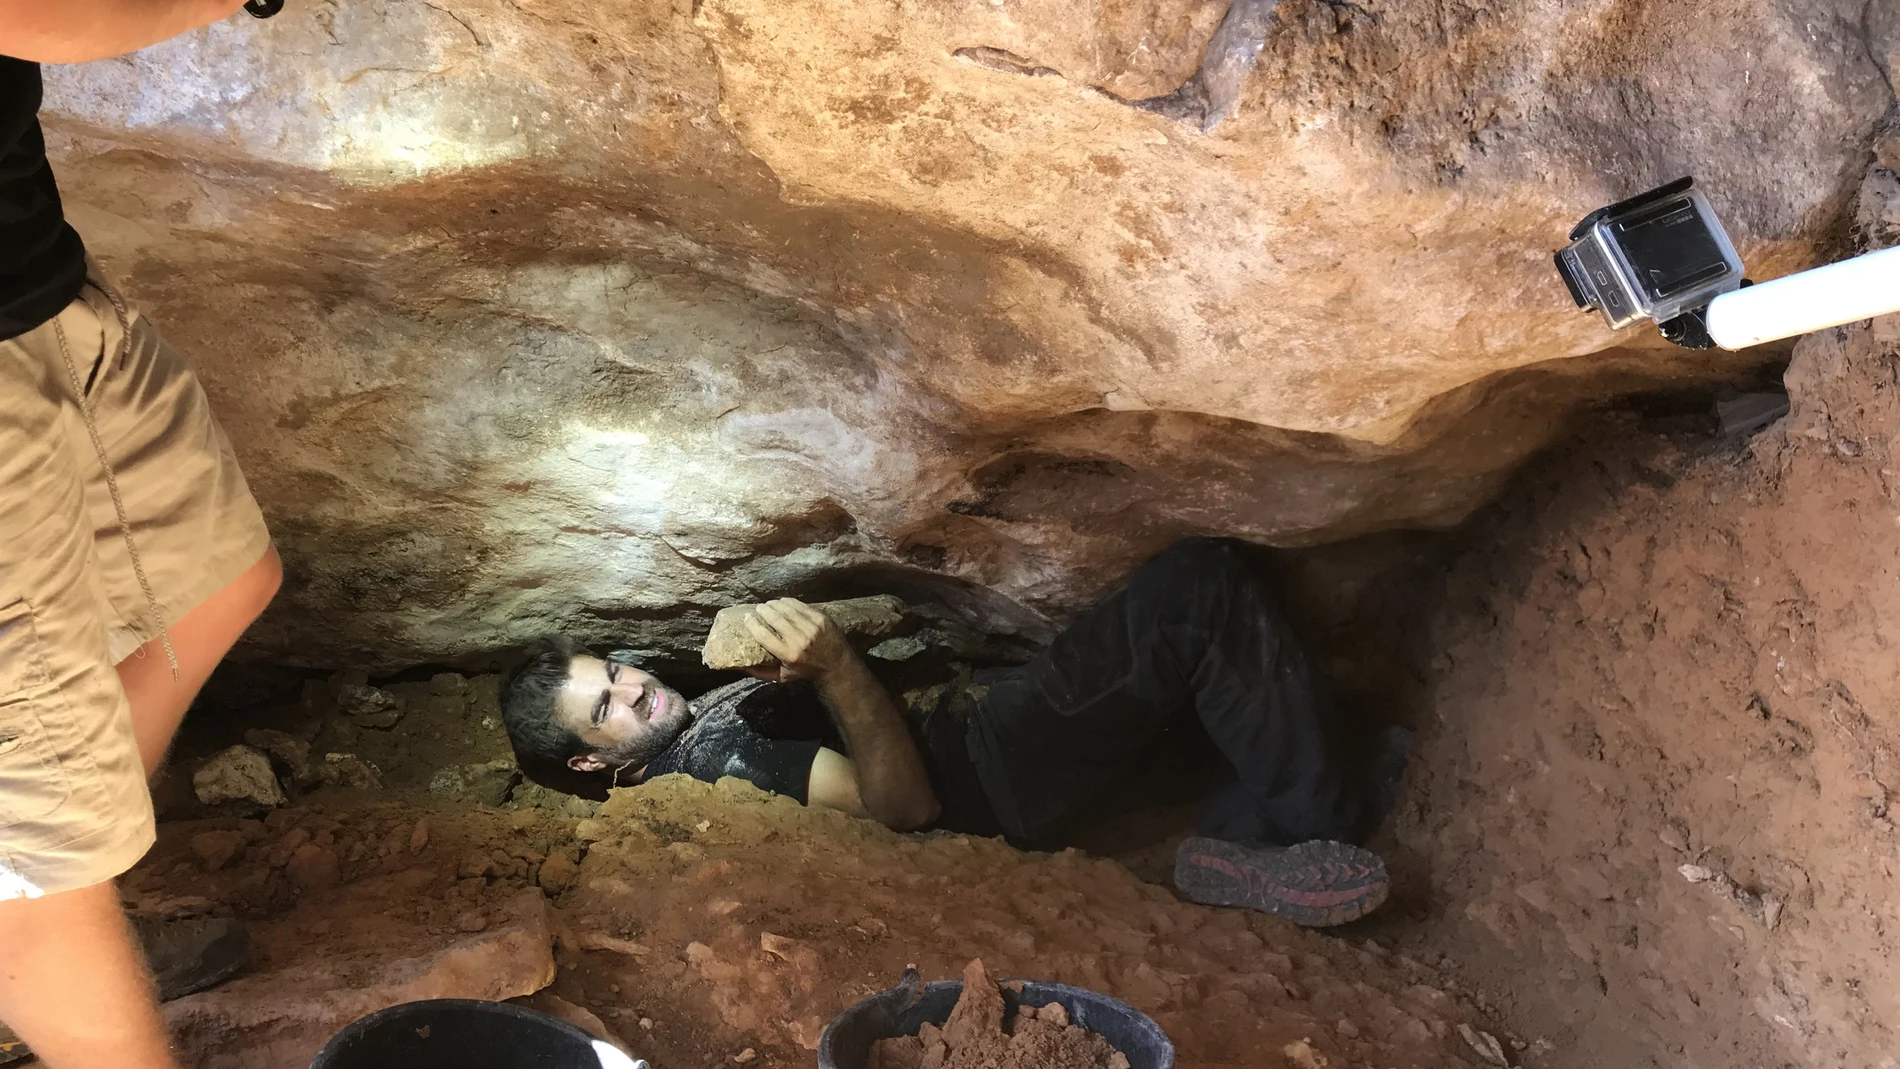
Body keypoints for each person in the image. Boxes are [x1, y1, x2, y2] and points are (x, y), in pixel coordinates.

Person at [503, 539, 1404, 928]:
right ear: (588, 759)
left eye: (617, 673)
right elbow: (902, 808)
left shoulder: (695, 726)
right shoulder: (717, 765)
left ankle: (1232, 835)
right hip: (987, 769)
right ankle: (1316, 820)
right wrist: (838, 665)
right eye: (608, 707)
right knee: (1195, 595)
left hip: (981, 729)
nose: (637, 691)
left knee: (1196, 707)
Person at [2, 6, 284, 1067]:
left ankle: (58, 930)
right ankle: (46, 941)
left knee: (220, 584)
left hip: (41, 304)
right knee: (33, 865)